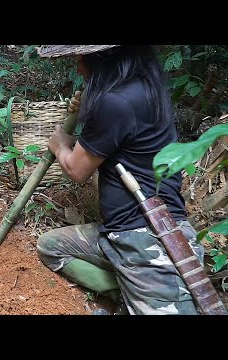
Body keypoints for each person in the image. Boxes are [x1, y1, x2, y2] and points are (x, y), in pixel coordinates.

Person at [36, 45, 204, 315]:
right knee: (51, 246)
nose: (79, 66)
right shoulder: (146, 89)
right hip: (121, 231)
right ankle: (123, 293)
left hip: (147, 236)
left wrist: (58, 144)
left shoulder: (115, 102)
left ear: (105, 59)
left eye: (82, 58)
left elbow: (77, 170)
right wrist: (89, 107)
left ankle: (133, 293)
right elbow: (110, 144)